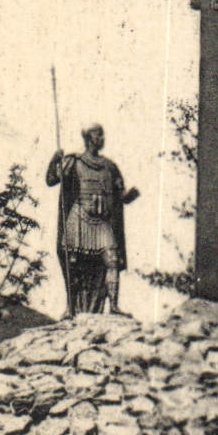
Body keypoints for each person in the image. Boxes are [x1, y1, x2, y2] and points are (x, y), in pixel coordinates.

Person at [47, 124, 138, 317]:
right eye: (98, 135)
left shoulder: (110, 167)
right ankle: (71, 307)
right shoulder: (74, 162)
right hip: (79, 218)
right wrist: (55, 160)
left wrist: (129, 196)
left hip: (101, 221)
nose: (102, 138)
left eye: (103, 135)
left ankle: (113, 305)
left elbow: (119, 194)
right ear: (88, 138)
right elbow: (52, 180)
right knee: (72, 264)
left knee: (112, 259)